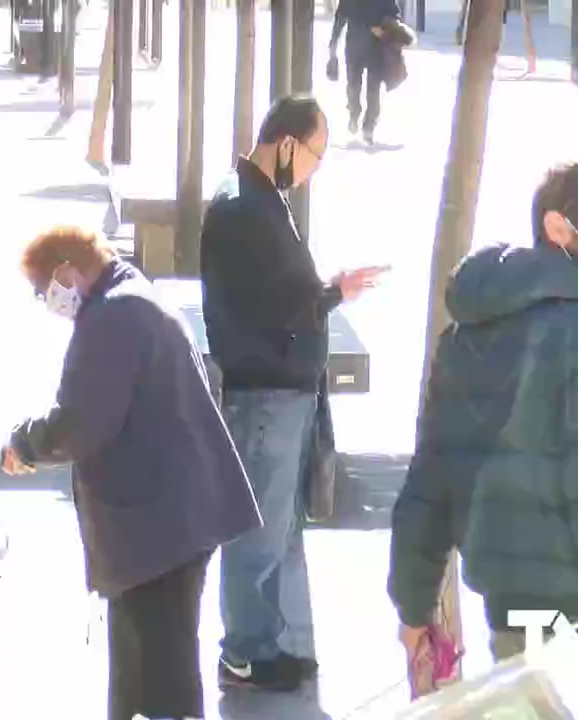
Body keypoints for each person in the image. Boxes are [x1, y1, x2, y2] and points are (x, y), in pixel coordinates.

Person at [388, 163, 578, 663]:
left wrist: (413, 604)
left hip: (510, 603)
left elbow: (431, 476)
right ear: (559, 228)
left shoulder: (465, 334)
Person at [1, 226, 261, 720]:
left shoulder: (114, 317)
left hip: (158, 525)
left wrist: (25, 441)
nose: (47, 302)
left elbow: (81, 422)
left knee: (158, 671)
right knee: (156, 666)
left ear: (66, 272)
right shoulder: (130, 297)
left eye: (44, 291)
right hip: (168, 517)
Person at [199, 95, 387, 692]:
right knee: (260, 529)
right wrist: (327, 293)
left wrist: (330, 292)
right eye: (314, 154)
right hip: (266, 394)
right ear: (286, 142)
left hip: (280, 392)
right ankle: (247, 650)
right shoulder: (244, 206)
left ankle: (270, 644)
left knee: (278, 527)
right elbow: (274, 305)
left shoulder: (257, 201)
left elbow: (282, 296)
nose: (312, 168)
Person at [329, 0, 402, 144]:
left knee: (373, 89)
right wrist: (333, 42)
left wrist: (384, 28)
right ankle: (354, 113)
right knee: (353, 86)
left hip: (376, 47)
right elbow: (341, 17)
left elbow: (395, 16)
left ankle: (369, 126)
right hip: (354, 45)